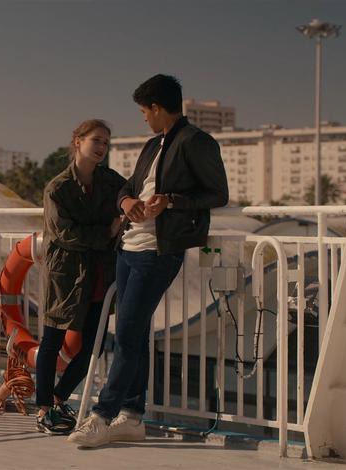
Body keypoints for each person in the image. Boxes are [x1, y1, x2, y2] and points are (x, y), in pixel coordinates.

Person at [68, 74, 229, 447]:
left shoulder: (197, 142)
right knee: (134, 334)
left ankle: (102, 416)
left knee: (124, 334)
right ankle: (133, 415)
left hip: (160, 251)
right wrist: (127, 203)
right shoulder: (152, 145)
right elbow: (128, 187)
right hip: (129, 247)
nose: (143, 118)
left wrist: (170, 201)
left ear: (157, 108)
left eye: (144, 111)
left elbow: (217, 193)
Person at [35, 119, 126, 434]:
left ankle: (59, 396)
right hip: (66, 274)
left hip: (100, 272)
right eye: (96, 140)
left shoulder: (112, 181)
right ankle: (44, 409)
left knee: (95, 344)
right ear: (78, 141)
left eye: (105, 142)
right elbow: (63, 232)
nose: (101, 148)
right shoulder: (58, 187)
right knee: (52, 341)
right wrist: (107, 231)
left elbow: (131, 195)